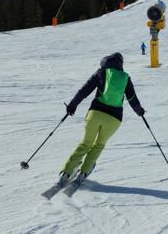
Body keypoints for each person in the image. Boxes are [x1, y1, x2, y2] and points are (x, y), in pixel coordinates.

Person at [59, 53, 145, 186]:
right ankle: (83, 173)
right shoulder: (125, 78)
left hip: (95, 114)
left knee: (85, 144)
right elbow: (132, 99)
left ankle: (66, 173)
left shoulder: (101, 72)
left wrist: (72, 106)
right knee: (99, 145)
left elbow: (84, 91)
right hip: (114, 119)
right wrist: (140, 112)